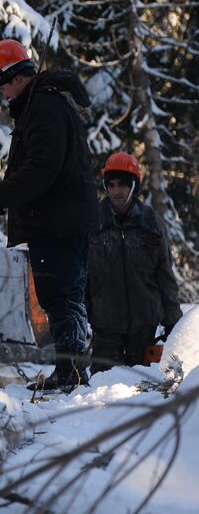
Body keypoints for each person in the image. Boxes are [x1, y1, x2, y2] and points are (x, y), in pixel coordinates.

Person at [0, 39, 99, 391]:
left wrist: (3, 196)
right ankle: (72, 370)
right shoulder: (43, 104)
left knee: (60, 296)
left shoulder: (44, 107)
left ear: (14, 76)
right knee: (65, 296)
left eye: (0, 83)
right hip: (61, 219)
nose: (1, 92)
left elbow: (41, 168)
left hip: (57, 221)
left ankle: (71, 373)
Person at [86, 151, 182, 368]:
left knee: (143, 390)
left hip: (145, 326)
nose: (116, 191)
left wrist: (173, 323)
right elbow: (82, 275)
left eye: (122, 184)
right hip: (105, 326)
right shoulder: (92, 222)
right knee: (102, 392)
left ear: (134, 185)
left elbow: (165, 274)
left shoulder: (151, 223)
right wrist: (83, 315)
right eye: (111, 185)